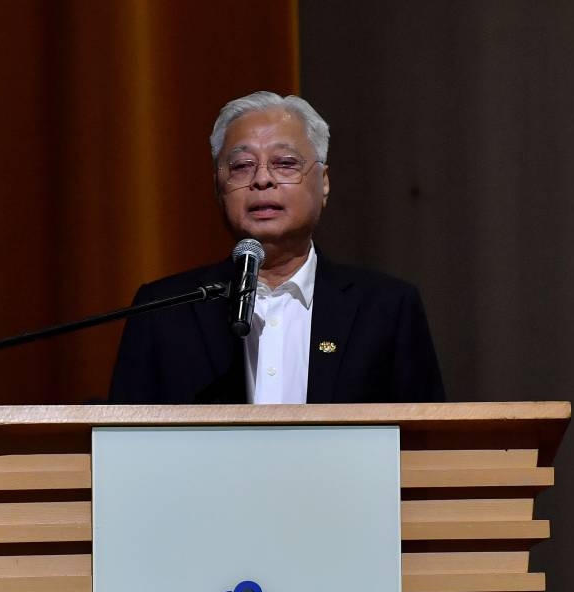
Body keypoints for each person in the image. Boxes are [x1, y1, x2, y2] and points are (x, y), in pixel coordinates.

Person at [109, 91, 444, 404]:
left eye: (285, 163)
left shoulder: (386, 309)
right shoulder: (164, 310)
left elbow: (426, 449)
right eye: (242, 166)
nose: (262, 179)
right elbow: (123, 447)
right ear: (218, 187)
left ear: (323, 182)